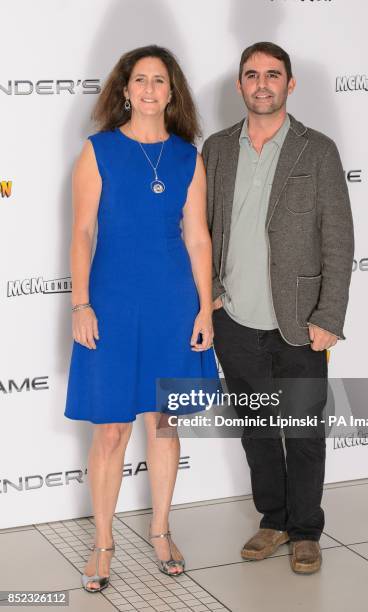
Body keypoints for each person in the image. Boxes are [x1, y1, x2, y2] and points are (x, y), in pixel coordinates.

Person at [64, 45, 218, 591]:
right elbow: (83, 232)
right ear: (124, 90)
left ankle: (159, 531)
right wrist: (80, 304)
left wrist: (204, 308)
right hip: (110, 302)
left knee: (164, 421)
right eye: (140, 80)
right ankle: (103, 542)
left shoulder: (186, 157)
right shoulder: (98, 150)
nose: (150, 89)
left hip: (172, 303)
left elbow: (198, 237)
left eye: (160, 80)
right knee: (110, 427)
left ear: (171, 92)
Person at [203, 42, 354, 574]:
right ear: (239, 85)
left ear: (290, 84)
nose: (261, 83)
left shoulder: (318, 150)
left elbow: (338, 238)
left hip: (300, 322)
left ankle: (307, 529)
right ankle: (274, 520)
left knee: (305, 431)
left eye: (273, 74)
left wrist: (329, 317)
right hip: (235, 321)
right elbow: (201, 229)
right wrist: (211, 293)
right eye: (251, 75)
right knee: (258, 429)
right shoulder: (217, 149)